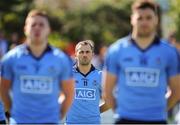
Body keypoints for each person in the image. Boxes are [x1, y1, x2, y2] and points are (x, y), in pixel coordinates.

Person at [103, 0, 180, 124]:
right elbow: (107, 92)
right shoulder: (116, 50)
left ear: (156, 20)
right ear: (132, 19)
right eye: (140, 18)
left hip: (157, 120)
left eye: (149, 18)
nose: (144, 22)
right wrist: (123, 111)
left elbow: (176, 91)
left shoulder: (169, 52)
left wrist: (159, 110)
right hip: (124, 119)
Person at [0, 9, 74, 124]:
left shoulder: (61, 59)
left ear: (49, 30)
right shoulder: (11, 59)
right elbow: (3, 90)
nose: (37, 28)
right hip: (20, 121)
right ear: (25, 29)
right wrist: (13, 112)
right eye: (33, 24)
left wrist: (58, 115)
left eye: (41, 24)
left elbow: (69, 93)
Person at [66, 40, 109, 124]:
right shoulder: (68, 75)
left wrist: (96, 111)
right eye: (81, 52)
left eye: (87, 52)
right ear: (75, 55)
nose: (84, 55)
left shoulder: (100, 76)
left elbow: (110, 102)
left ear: (92, 54)